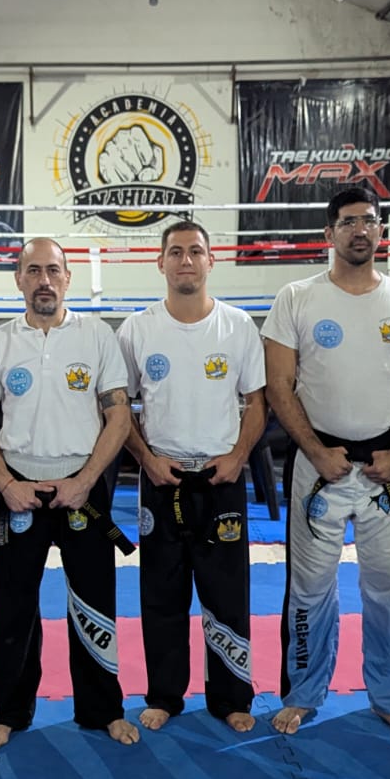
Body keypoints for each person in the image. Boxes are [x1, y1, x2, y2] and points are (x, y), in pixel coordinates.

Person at [262, 187, 390, 737]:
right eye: (347, 222)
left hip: (388, 465)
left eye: (368, 220)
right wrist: (316, 451)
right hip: (318, 464)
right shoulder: (297, 297)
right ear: (329, 233)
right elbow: (278, 385)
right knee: (309, 588)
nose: (359, 230)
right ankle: (303, 693)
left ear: (381, 230)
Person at [0, 238, 138, 750]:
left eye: (54, 271)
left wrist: (85, 481)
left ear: (68, 278)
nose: (44, 280)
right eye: (34, 270)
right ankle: (8, 711)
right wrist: (6, 484)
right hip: (19, 487)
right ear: (18, 278)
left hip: (82, 486)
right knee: (12, 606)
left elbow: (118, 417)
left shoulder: (96, 336)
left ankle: (103, 709)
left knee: (94, 603)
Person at [118, 219, 267, 733]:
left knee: (228, 592)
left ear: (210, 260)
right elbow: (119, 406)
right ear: (159, 262)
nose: (186, 260)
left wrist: (240, 455)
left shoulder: (237, 326)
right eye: (176, 251)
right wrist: (145, 458)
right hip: (162, 475)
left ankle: (232, 697)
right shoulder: (137, 329)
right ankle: (164, 695)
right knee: (161, 593)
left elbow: (257, 403)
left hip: (221, 475)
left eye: (196, 251)